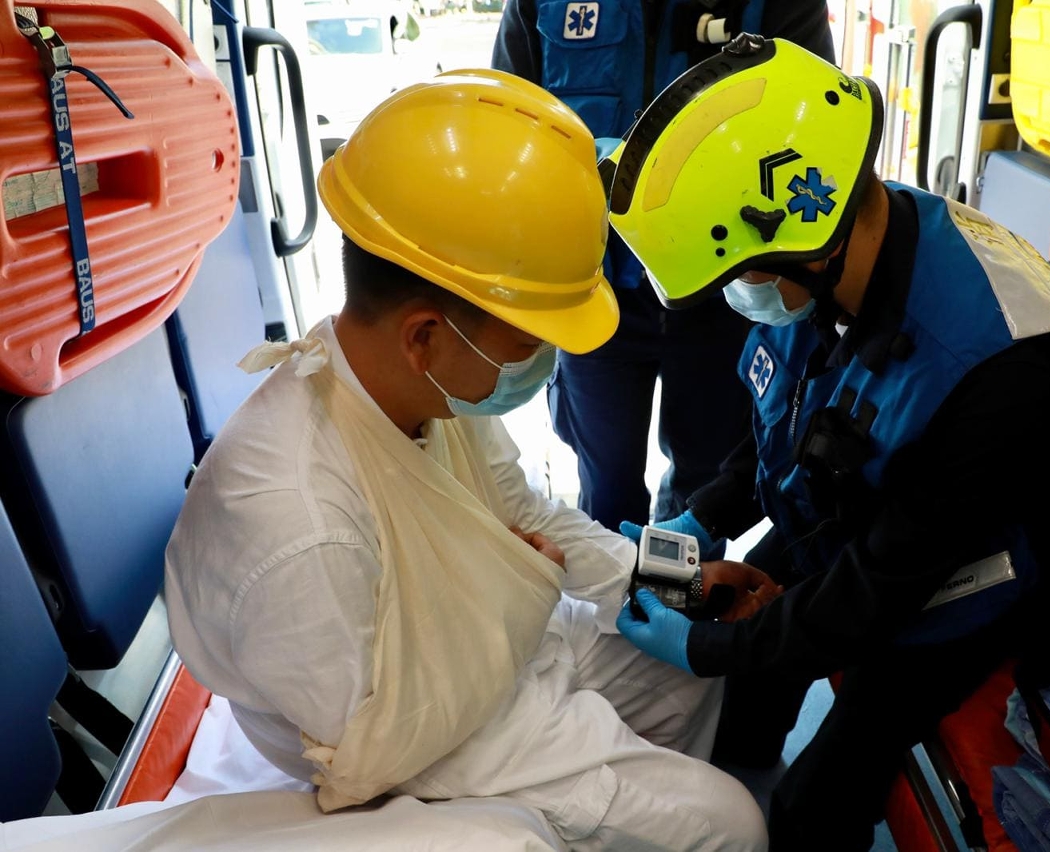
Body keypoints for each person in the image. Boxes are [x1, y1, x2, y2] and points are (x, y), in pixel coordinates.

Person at [164, 71, 774, 851]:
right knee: (732, 826)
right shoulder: (299, 526)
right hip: (429, 740)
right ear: (425, 335)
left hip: (485, 655)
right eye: (528, 341)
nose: (544, 361)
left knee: (688, 666)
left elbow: (527, 513)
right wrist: (517, 598)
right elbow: (371, 750)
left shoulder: (418, 390)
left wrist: (677, 578)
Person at [607, 36, 1050, 850]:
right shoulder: (849, 240)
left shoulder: (1012, 368)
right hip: (896, 501)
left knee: (812, 806)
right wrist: (708, 515)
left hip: (991, 555)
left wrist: (714, 645)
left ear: (810, 246)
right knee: (745, 690)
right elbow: (792, 411)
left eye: (738, 276)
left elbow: (882, 582)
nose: (735, 296)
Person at [491, 0, 836, 547]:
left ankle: (679, 594)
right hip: (594, 294)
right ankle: (612, 591)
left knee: (704, 490)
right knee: (605, 489)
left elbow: (813, 127)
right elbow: (505, 129)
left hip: (722, 292)